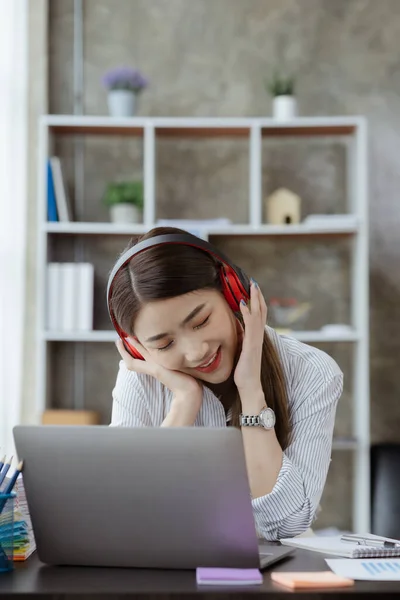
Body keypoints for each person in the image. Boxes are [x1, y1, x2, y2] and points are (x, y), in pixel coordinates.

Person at [109, 226, 343, 540]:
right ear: (139, 349)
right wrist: (184, 401)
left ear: (233, 291)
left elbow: (286, 526)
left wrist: (250, 390)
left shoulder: (312, 372)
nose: (196, 352)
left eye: (201, 321)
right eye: (164, 345)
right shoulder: (139, 378)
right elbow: (126, 516)